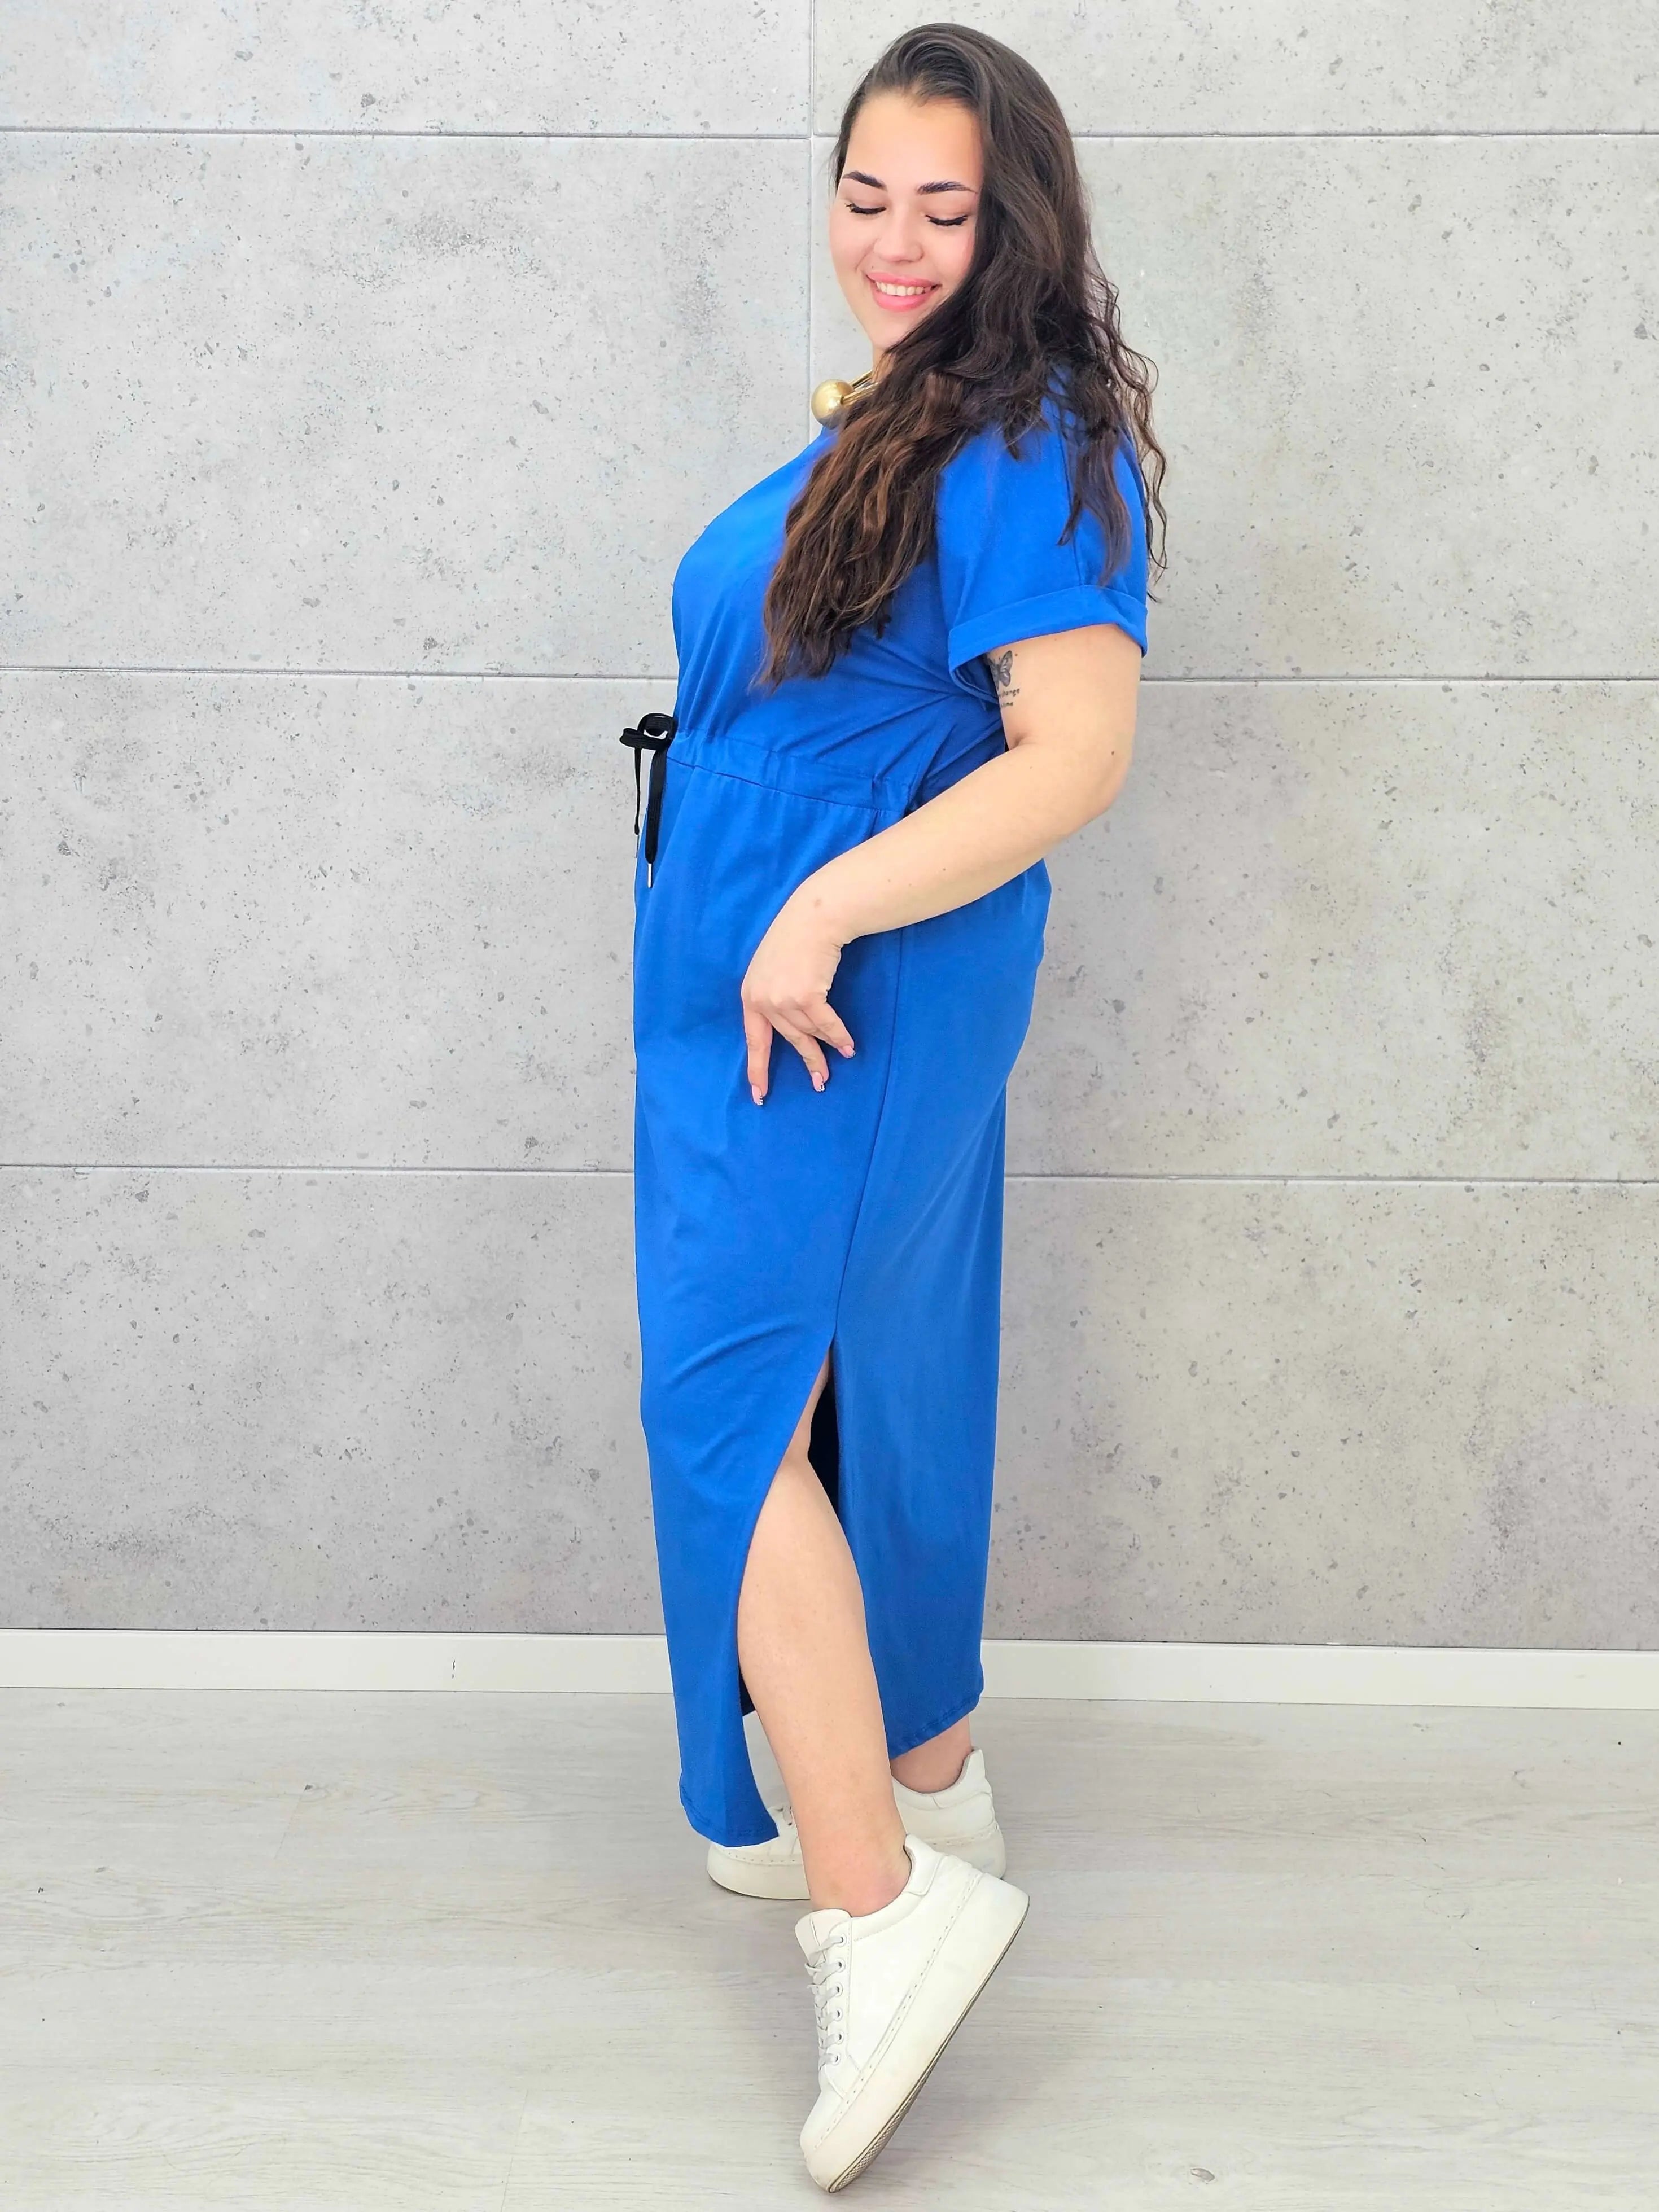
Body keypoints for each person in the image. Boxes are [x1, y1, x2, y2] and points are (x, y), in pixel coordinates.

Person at [620, 21, 1165, 2191]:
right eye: (866, 195)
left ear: (1017, 220)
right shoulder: (892, 419)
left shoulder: (1028, 432)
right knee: (867, 1382)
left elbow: (1074, 756)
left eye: (946, 206)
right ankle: (919, 1776)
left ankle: (881, 1908)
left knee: (733, 1407)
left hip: (837, 993)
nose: (896, 241)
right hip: (759, 985)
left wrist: (817, 908)